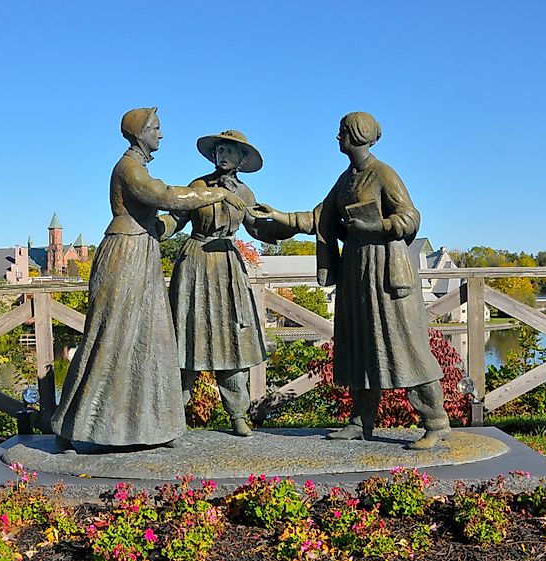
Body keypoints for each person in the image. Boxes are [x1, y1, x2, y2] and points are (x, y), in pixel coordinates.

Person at [250, 112, 451, 450]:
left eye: (341, 131)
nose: (337, 137)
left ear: (357, 135)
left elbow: (411, 219)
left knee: (405, 346)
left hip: (387, 273)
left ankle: (436, 421)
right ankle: (361, 421)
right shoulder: (345, 180)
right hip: (356, 272)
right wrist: (279, 216)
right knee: (360, 345)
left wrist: (376, 227)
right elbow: (319, 217)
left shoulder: (383, 173)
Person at [51, 108, 243, 448]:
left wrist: (167, 224)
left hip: (142, 250)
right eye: (156, 128)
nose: (161, 134)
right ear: (140, 133)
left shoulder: (137, 167)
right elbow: (165, 196)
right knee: (112, 335)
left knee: (151, 338)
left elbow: (164, 216)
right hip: (125, 255)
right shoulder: (130, 169)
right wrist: (217, 193)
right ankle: (78, 425)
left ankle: (154, 426)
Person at [163, 130, 272, 437]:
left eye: (230, 151)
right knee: (185, 338)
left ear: (242, 158)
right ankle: (174, 415)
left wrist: (283, 226)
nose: (222, 155)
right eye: (219, 150)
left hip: (226, 266)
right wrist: (153, 228)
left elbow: (258, 228)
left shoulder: (246, 194)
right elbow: (176, 217)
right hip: (195, 263)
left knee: (233, 339)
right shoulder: (198, 186)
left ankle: (237, 413)